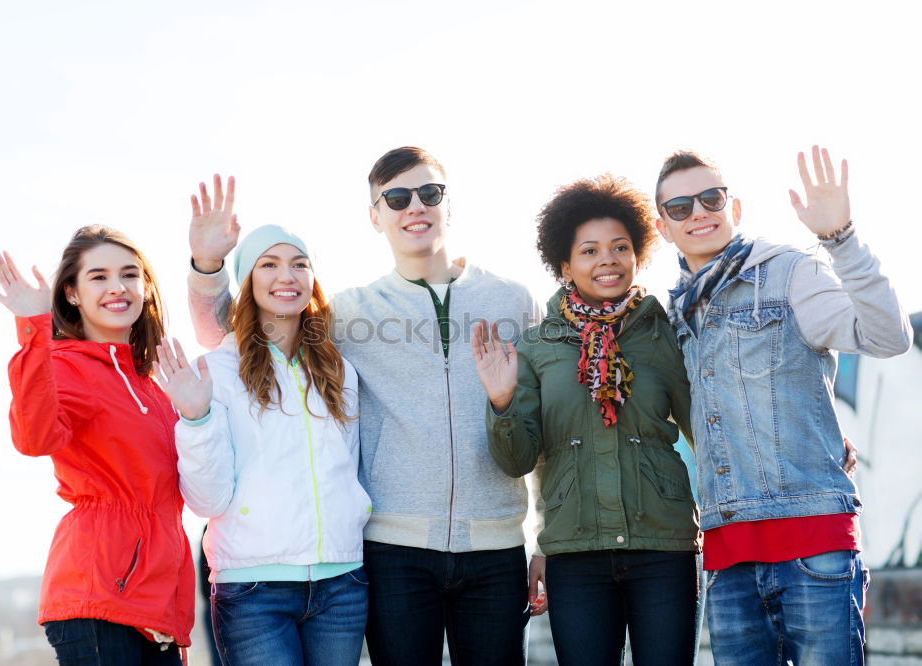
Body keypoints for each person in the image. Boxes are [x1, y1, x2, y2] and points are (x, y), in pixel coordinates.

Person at [186, 149, 545, 665]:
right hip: (393, 550)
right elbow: (235, 326)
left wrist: (547, 541)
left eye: (429, 194)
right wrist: (208, 267)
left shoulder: (514, 301)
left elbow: (542, 427)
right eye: (396, 198)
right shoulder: (350, 314)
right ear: (375, 216)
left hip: (496, 546)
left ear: (449, 204)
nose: (415, 207)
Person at [654, 146, 913, 665]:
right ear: (663, 227)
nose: (698, 213)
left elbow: (888, 336)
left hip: (812, 544)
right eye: (680, 207)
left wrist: (841, 239)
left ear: (735, 208)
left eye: (711, 198)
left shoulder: (791, 273)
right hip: (727, 559)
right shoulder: (676, 312)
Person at [474, 175, 700, 665]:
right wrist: (502, 402)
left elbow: (707, 427)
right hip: (574, 555)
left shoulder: (666, 332)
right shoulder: (537, 347)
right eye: (590, 251)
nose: (607, 261)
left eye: (620, 247)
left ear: (638, 252)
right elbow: (516, 461)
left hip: (664, 546)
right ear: (565, 264)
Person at [155, 224, 370, 666]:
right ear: (248, 282)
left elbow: (352, 467)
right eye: (268, 264)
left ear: (313, 280)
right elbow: (206, 499)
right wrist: (197, 419)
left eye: (299, 264)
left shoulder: (339, 370)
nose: (285, 276)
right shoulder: (216, 370)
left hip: (342, 584)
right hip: (253, 591)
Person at [0, 226, 195, 665]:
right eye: (98, 276)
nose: (117, 287)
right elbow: (34, 438)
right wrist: (33, 327)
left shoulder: (155, 385)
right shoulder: (66, 367)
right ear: (72, 294)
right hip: (98, 594)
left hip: (154, 604)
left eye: (129, 274)